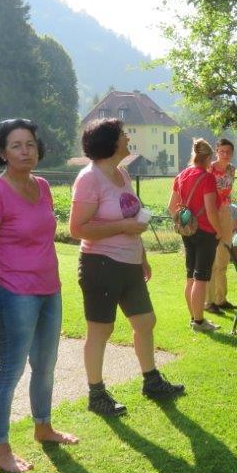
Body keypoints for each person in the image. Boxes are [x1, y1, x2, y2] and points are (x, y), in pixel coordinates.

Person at [0, 118, 78, 473]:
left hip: (50, 290)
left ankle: (43, 427)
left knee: (45, 366)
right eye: (16, 145)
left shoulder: (42, 186)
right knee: (10, 371)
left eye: (30, 144)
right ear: (3, 153)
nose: (25, 151)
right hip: (13, 294)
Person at [70, 118, 184, 415]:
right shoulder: (89, 178)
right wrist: (124, 227)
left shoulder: (122, 173)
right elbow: (77, 228)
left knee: (145, 322)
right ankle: (96, 395)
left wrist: (142, 257)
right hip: (100, 264)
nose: (128, 137)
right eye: (123, 133)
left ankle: (151, 381)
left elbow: (133, 219)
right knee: (100, 330)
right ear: (110, 142)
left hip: (130, 263)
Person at [168, 138, 223, 332]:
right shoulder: (207, 178)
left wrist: (184, 221)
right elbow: (211, 210)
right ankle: (199, 322)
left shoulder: (181, 175)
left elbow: (171, 207)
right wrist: (219, 231)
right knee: (201, 278)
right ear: (208, 158)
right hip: (206, 232)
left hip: (188, 231)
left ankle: (194, 317)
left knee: (190, 276)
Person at [204, 138, 237, 315]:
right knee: (211, 259)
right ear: (216, 152)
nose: (225, 154)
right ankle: (208, 301)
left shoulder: (231, 169)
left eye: (228, 151)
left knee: (224, 257)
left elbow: (228, 195)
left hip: (225, 212)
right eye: (222, 151)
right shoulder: (209, 169)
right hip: (211, 213)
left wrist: (232, 216)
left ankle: (221, 299)